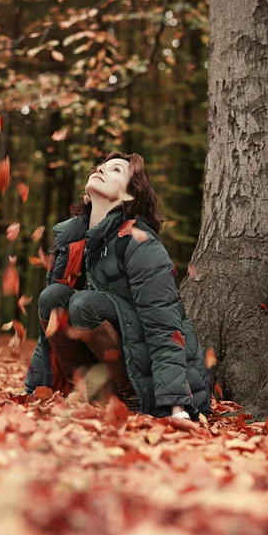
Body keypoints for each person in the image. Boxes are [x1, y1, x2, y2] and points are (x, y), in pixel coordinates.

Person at [25, 151, 212, 421]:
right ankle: (91, 394)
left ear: (130, 195)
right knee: (53, 298)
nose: (100, 169)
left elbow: (164, 324)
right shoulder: (76, 243)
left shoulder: (139, 241)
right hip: (115, 361)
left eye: (115, 170)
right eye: (101, 166)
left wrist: (175, 407)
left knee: (83, 304)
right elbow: (48, 335)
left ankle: (136, 401)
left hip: (157, 381)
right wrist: (33, 390)